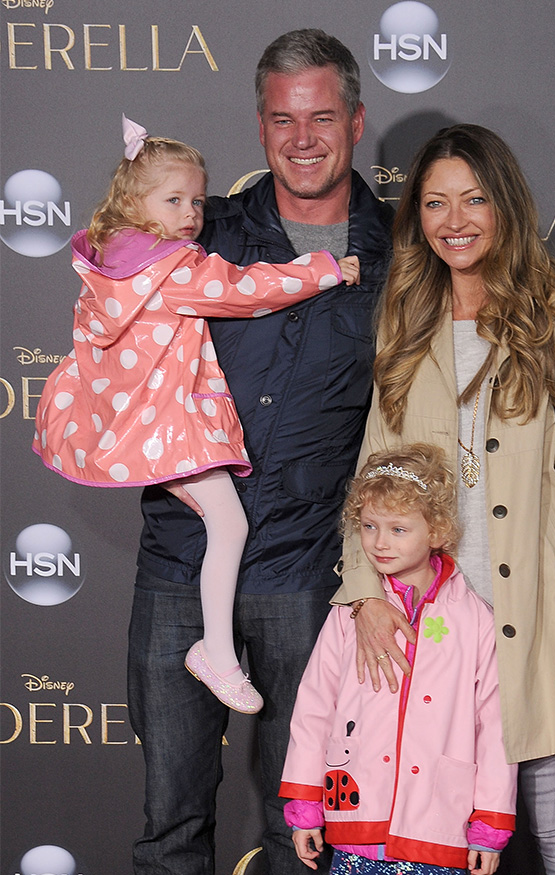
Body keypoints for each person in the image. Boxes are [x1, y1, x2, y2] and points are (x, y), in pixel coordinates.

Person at [333, 124, 555, 875]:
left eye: (474, 198)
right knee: (428, 846)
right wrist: (361, 591)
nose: (455, 220)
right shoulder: (403, 317)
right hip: (427, 628)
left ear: (505, 204)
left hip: (535, 621)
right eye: (436, 203)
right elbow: (374, 464)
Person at [128, 29, 394, 875]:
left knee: (303, 830)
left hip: (309, 572)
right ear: (260, 127)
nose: (303, 138)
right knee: (170, 826)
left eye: (321, 117)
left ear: (356, 120)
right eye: (284, 119)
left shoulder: (400, 256)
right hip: (180, 558)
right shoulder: (197, 237)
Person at [32, 115, 357, 715]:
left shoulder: (108, 266)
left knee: (219, 525)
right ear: (135, 202)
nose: (190, 214)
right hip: (169, 434)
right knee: (230, 527)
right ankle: (216, 651)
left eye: (197, 201)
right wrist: (324, 269)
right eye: (174, 199)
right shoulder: (174, 268)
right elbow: (244, 289)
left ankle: (215, 647)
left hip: (135, 433)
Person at [280, 444, 517, 875]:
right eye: (369, 526)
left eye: (398, 529)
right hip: (356, 820)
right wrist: (304, 801)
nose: (380, 543)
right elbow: (314, 707)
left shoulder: (476, 620)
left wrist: (490, 823)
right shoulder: (347, 614)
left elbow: (496, 725)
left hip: (438, 825)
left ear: (437, 531)